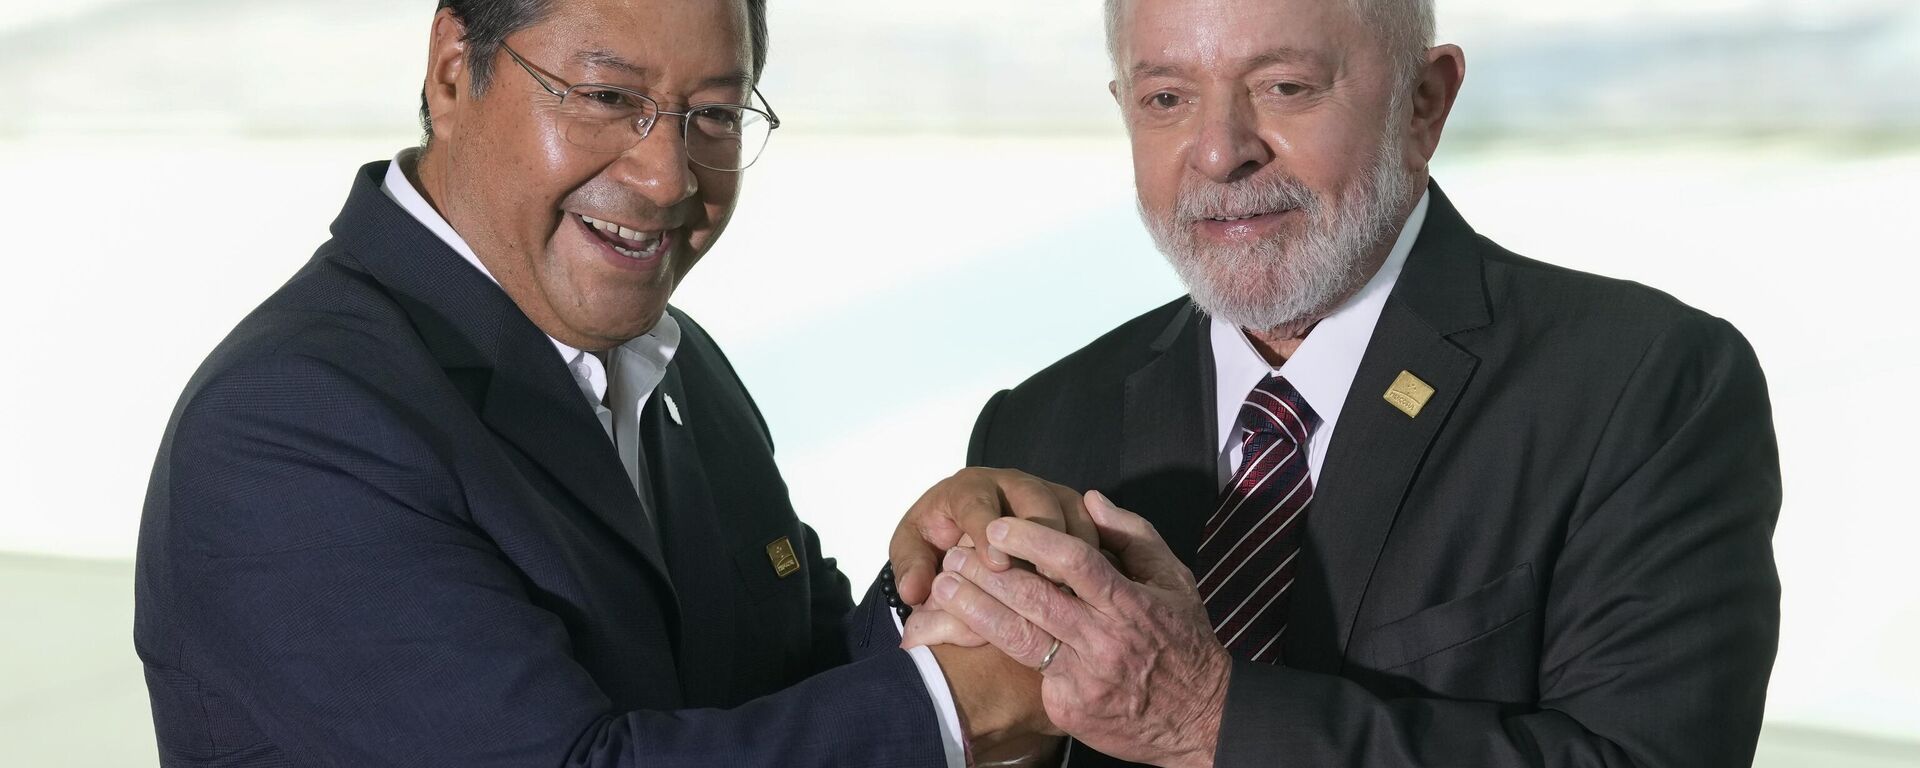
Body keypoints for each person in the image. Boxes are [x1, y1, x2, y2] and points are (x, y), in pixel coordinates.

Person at [132, 1, 1059, 765]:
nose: (667, 177)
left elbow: (790, 686)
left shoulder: (675, 365)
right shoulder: (291, 424)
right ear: (454, 71)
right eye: (608, 96)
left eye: (715, 117)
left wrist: (948, 589)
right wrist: (947, 706)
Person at [890, 0, 1782, 765]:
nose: (1218, 153)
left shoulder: (1647, 386)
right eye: (1167, 99)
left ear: (1424, 103)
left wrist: (1209, 718)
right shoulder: (1040, 424)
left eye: (1284, 88)